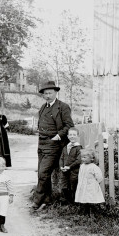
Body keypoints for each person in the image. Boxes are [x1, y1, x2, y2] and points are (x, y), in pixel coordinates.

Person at [31, 80, 75, 209]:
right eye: (45, 93)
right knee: (41, 172)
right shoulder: (43, 107)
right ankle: (48, 199)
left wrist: (59, 135)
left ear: (56, 92)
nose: (47, 95)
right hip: (42, 144)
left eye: (50, 93)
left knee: (43, 173)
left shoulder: (63, 107)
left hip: (54, 144)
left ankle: (37, 200)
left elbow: (69, 125)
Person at [75, 149, 105, 217]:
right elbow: (80, 175)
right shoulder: (82, 166)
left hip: (91, 186)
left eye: (85, 157)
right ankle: (86, 214)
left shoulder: (94, 167)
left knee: (92, 199)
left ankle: (95, 214)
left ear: (92, 158)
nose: (83, 159)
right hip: (83, 185)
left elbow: (99, 177)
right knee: (84, 199)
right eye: (82, 157)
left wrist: (94, 183)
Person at [59, 129, 82, 205]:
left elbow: (79, 160)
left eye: (74, 135)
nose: (72, 136)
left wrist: (70, 167)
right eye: (70, 135)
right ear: (68, 136)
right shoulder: (65, 147)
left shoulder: (78, 147)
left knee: (73, 187)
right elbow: (61, 158)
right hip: (64, 171)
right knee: (64, 186)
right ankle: (69, 202)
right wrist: (61, 166)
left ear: (77, 136)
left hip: (74, 171)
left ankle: (75, 204)